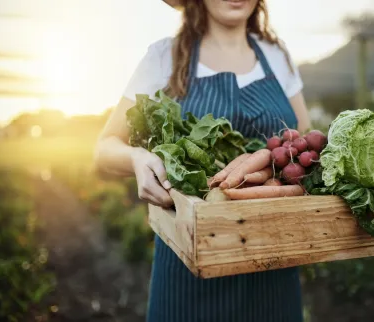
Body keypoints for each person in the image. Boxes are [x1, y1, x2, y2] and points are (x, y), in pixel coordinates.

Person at [94, 0, 311, 321]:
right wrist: (138, 158)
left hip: (273, 267)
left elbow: (304, 142)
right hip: (188, 266)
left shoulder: (277, 55)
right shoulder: (163, 57)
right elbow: (103, 149)